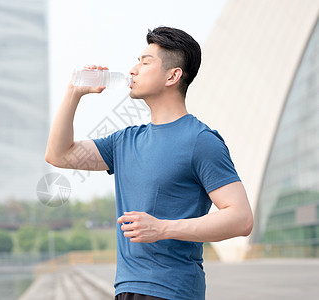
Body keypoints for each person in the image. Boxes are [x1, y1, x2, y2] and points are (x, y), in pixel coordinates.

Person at [45, 26, 253, 300]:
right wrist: (73, 94)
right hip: (127, 289)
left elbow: (241, 218)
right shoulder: (125, 141)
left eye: (145, 62)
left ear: (172, 76)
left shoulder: (201, 141)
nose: (132, 70)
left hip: (173, 291)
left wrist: (164, 227)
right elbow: (59, 155)